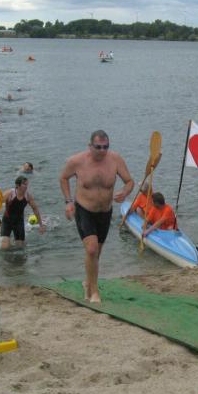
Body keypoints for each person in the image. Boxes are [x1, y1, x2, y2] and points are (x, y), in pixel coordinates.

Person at [60, 130, 134, 303]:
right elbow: (63, 178)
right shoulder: (76, 161)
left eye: (106, 147)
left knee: (96, 253)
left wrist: (125, 192)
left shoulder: (115, 160)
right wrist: (68, 202)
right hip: (84, 210)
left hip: (105, 212)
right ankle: (94, 292)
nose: (102, 151)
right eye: (98, 147)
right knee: (92, 249)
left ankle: (87, 283)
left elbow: (129, 181)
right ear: (90, 146)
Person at [0, 176, 45, 250]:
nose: (26, 186)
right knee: (5, 247)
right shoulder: (10, 193)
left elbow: (35, 209)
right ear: (17, 185)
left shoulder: (28, 196)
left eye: (27, 184)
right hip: (7, 221)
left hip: (19, 222)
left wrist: (41, 225)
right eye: (24, 184)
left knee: (20, 248)